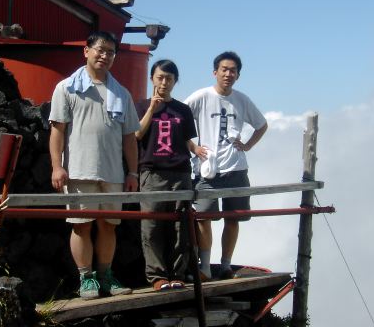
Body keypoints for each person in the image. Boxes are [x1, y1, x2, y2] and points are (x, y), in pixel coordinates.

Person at [49, 31, 140, 299]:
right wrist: (57, 166)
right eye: (100, 49)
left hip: (113, 172)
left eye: (111, 52)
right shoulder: (67, 87)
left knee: (109, 225)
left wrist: (132, 172)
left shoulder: (121, 93)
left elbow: (129, 138)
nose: (105, 56)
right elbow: (57, 130)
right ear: (86, 51)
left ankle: (106, 275)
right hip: (79, 169)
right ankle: (86, 278)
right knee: (81, 225)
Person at [185, 51, 268, 280]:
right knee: (203, 218)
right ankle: (204, 267)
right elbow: (178, 120)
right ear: (215, 72)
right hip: (207, 169)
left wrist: (248, 145)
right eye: (224, 69)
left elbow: (261, 125)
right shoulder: (201, 96)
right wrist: (193, 147)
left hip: (236, 168)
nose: (228, 74)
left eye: (233, 70)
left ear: (238, 75)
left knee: (233, 218)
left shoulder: (242, 100)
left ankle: (225, 266)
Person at [135, 60, 207, 291]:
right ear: (152, 79)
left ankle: (178, 274)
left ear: (175, 81)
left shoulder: (183, 109)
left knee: (180, 227)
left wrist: (196, 149)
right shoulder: (140, 105)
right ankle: (156, 276)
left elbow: (186, 140)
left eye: (169, 78)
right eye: (160, 77)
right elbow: (136, 134)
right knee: (152, 226)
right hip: (152, 172)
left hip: (180, 172)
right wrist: (151, 110)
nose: (164, 82)